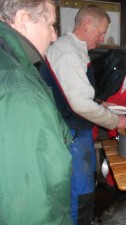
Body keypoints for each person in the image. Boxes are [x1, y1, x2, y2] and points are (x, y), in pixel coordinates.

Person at [39, 5, 126, 225]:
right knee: (80, 193)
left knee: (77, 190)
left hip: (75, 131)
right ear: (86, 24)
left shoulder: (75, 49)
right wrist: (116, 119)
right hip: (71, 134)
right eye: (101, 31)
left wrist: (100, 103)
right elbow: (79, 104)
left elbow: (70, 93)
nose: (102, 37)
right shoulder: (68, 51)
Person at [0, 0, 73, 224]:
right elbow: (28, 205)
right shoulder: (18, 87)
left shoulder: (14, 62)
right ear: (23, 20)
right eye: (50, 24)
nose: (53, 36)